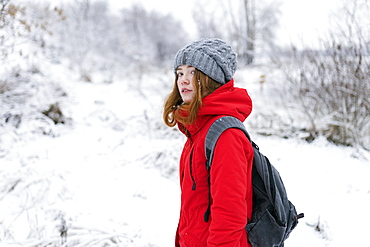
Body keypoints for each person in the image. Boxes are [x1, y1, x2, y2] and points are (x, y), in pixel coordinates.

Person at [163, 38, 254, 247]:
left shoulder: (225, 135)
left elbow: (229, 215)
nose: (183, 80)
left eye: (193, 72)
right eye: (180, 73)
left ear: (211, 78)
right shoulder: (197, 129)